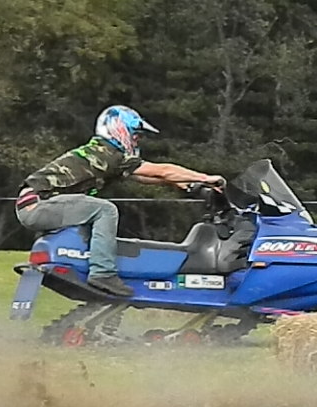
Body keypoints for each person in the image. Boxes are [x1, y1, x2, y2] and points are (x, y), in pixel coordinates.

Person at [15, 105, 224, 297]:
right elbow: (163, 170)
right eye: (136, 136)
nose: (137, 142)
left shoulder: (102, 154)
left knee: (93, 214)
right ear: (120, 130)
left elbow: (151, 176)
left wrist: (185, 185)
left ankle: (96, 268)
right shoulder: (108, 153)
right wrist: (205, 178)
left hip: (36, 202)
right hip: (39, 203)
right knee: (105, 210)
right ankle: (102, 273)